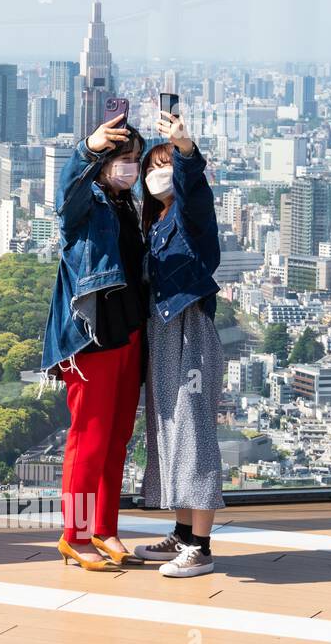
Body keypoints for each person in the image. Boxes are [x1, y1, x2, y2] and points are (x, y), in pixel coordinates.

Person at [40, 112, 146, 571]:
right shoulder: (87, 208)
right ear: (103, 163)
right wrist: (88, 147)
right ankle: (74, 535)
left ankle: (104, 528)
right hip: (91, 339)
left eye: (135, 159)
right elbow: (66, 194)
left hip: (128, 331)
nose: (131, 167)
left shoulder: (129, 206)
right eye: (122, 158)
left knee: (118, 436)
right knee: (89, 439)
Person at [133, 111, 224, 577]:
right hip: (164, 337)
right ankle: (184, 534)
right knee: (171, 433)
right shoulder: (158, 223)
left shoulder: (189, 216)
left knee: (195, 434)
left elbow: (195, 194)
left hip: (190, 336)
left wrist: (185, 151)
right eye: (149, 167)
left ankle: (202, 547)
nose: (155, 174)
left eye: (162, 164)